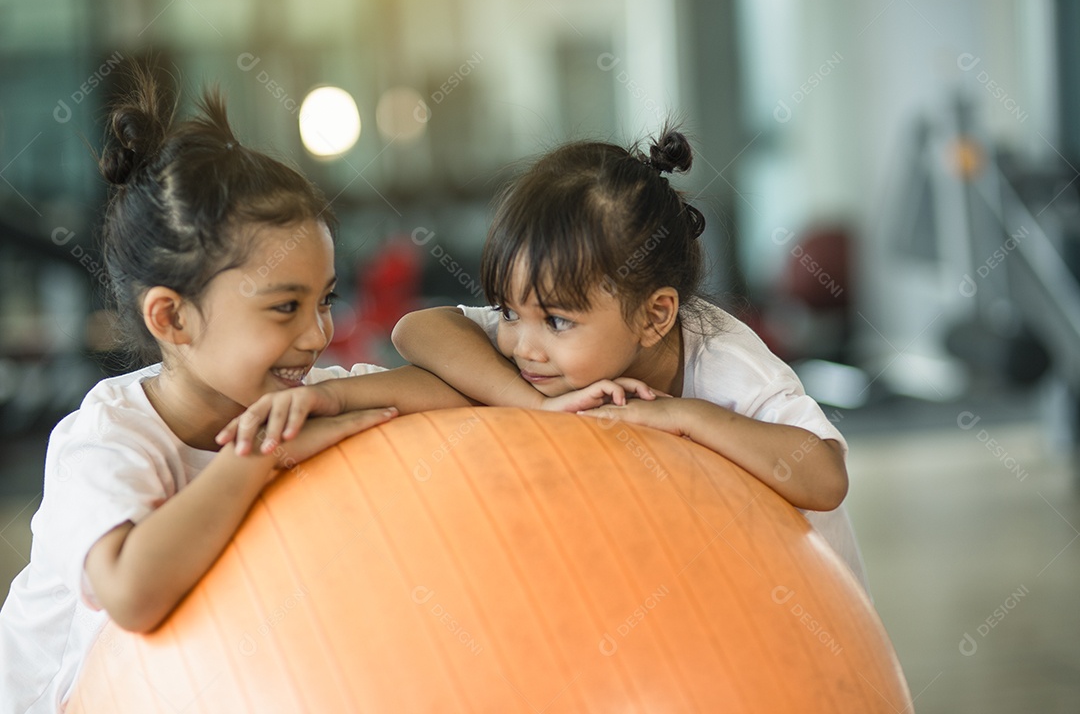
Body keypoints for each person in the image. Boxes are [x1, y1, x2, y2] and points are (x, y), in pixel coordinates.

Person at [0, 67, 469, 713]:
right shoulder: (108, 438)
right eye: (284, 308)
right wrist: (259, 457)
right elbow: (133, 594)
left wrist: (335, 400)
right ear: (172, 318)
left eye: (325, 300)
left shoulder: (297, 393)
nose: (317, 335)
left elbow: (452, 395)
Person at [390, 126, 870, 591]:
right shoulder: (546, 334)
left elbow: (825, 479)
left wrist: (681, 414)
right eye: (507, 311)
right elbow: (415, 330)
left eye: (556, 321)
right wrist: (530, 404)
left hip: (804, 613)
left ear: (654, 316)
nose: (522, 346)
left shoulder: (727, 363)